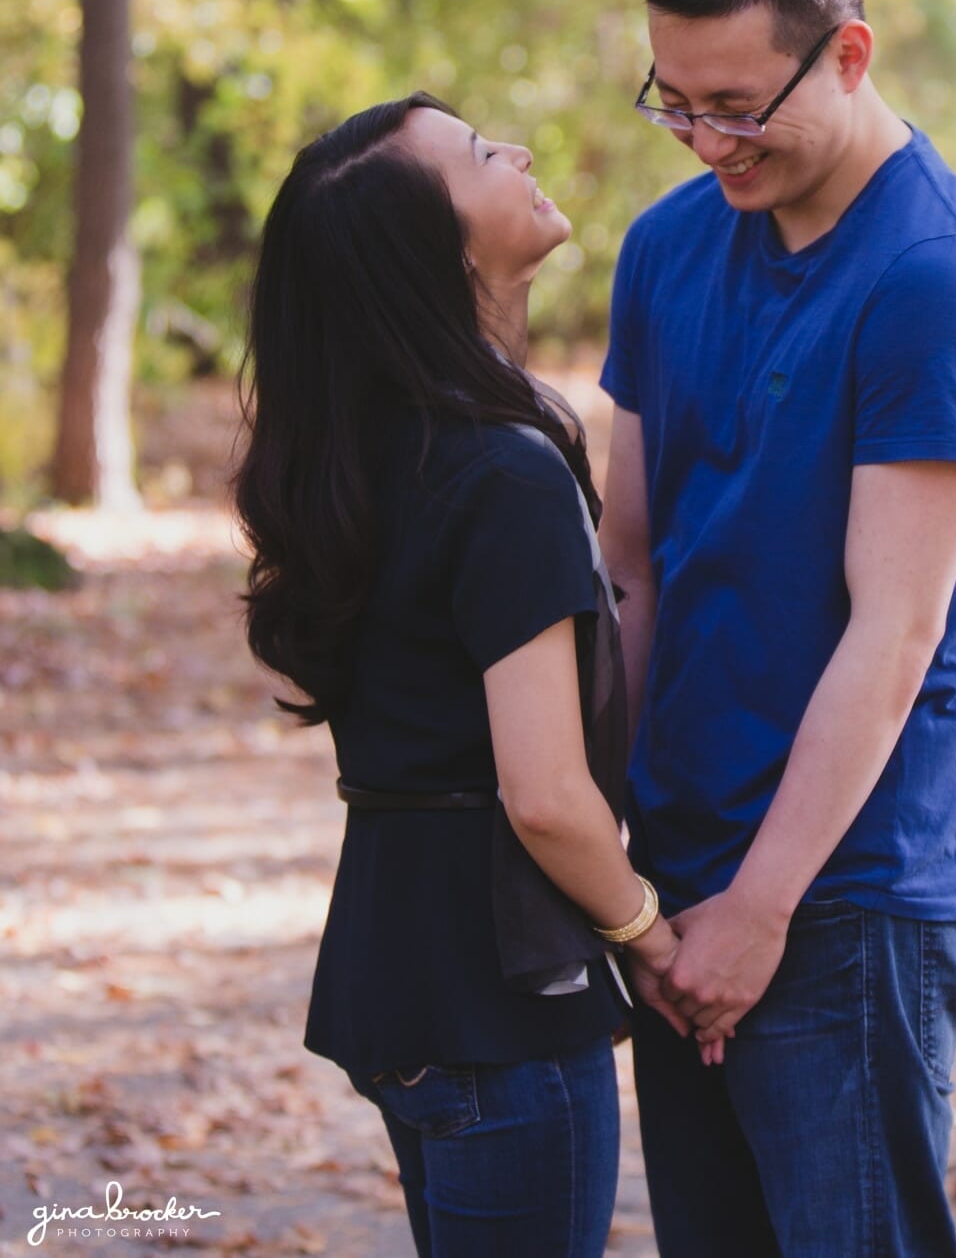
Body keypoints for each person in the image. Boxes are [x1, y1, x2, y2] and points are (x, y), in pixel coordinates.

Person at [598, 0, 956, 1258]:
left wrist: (762, 907)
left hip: (848, 889)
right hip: (676, 879)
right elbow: (631, 565)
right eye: (676, 101)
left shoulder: (936, 279)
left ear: (847, 52)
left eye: (738, 103)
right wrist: (617, 861)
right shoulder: (668, 245)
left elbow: (893, 630)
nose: (708, 140)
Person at [233, 93, 690, 1258]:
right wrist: (649, 935)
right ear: (432, 248)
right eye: (483, 154)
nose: (521, 150)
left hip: (399, 965)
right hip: (501, 994)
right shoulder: (498, 471)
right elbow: (543, 793)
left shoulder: (368, 449)